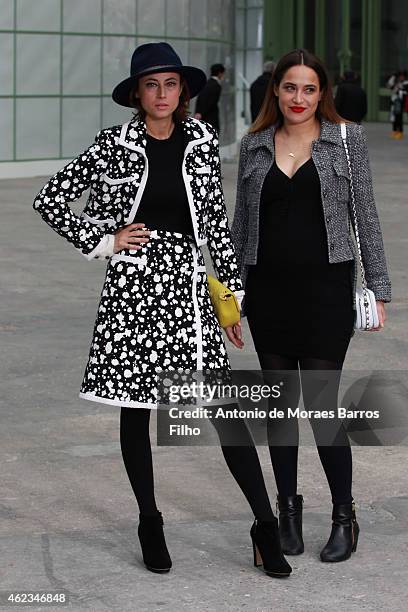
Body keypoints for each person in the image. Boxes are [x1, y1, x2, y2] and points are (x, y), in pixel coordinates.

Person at [33, 42, 292, 578]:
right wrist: (105, 238)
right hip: (133, 289)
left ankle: (265, 526)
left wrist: (231, 301)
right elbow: (51, 200)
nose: (162, 94)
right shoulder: (113, 145)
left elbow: (216, 227)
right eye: (151, 85)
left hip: (188, 291)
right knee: (136, 412)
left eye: (170, 84)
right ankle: (150, 521)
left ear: (183, 92)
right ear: (136, 94)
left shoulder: (200, 140)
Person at [232, 48, 391, 563]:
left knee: (323, 409)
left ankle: (345, 516)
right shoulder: (254, 145)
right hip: (268, 293)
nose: (298, 98)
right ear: (274, 91)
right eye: (289, 87)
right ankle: (287, 514)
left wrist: (378, 289)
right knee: (280, 413)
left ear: (323, 93)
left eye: (309, 88)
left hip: (326, 292)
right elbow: (239, 226)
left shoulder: (347, 141)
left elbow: (365, 215)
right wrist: (232, 297)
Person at [194, 63, 225, 134]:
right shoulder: (217, 86)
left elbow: (200, 98)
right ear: (220, 73)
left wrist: (198, 112)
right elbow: (212, 103)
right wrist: (201, 113)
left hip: (203, 117)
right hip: (211, 118)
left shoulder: (206, 83)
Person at [387, 71, 408, 139]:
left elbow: (405, 92)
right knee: (393, 118)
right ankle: (395, 131)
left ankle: (400, 132)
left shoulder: (406, 83)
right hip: (394, 102)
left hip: (400, 103)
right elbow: (389, 85)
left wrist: (399, 91)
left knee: (399, 118)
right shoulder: (397, 83)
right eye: (399, 76)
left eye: (402, 76)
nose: (401, 77)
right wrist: (393, 76)